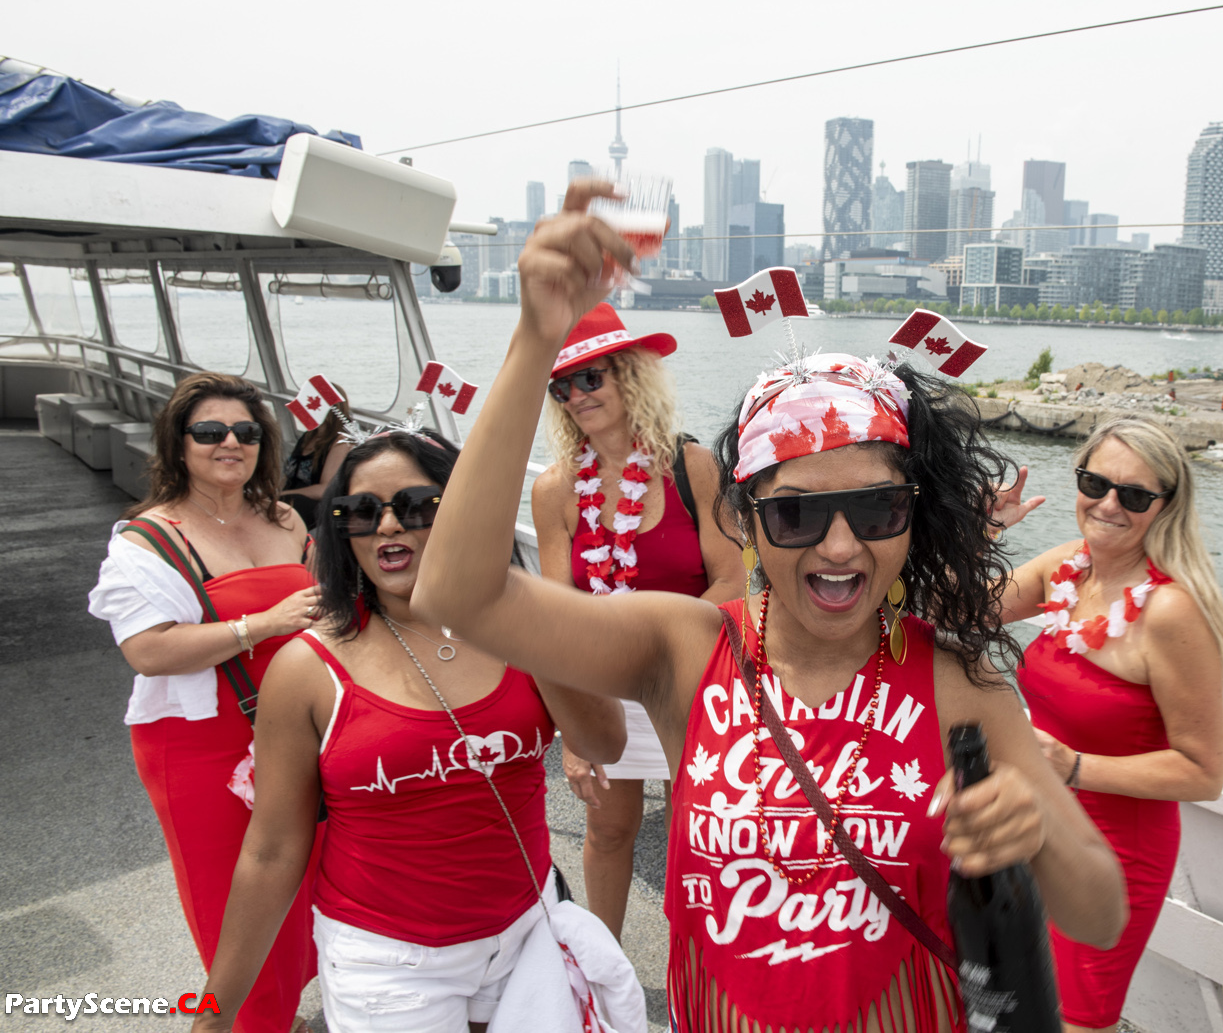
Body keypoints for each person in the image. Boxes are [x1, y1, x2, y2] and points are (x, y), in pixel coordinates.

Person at [413, 180, 1128, 1032]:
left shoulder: (958, 686)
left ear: (914, 518)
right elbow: (458, 592)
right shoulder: (685, 650)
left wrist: (1036, 833)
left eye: (876, 509)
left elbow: (1100, 915)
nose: (839, 546)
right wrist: (536, 340)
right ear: (746, 522)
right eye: (796, 515)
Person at [190, 428, 631, 1033]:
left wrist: (524, 621)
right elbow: (271, 852)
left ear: (463, 512)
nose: (389, 525)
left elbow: (605, 744)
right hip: (389, 964)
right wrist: (214, 1015)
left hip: (527, 932)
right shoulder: (306, 670)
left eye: (417, 505)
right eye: (361, 511)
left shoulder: (523, 627)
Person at [87, 371, 322, 1033]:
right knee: (232, 899)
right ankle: (250, 1021)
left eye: (246, 431)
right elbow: (149, 649)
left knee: (306, 879)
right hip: (199, 744)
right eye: (210, 431)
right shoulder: (149, 539)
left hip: (295, 732)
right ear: (178, 443)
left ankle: (288, 1008)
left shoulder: (284, 518)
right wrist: (263, 625)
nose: (230, 443)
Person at [999, 416, 1223, 1033]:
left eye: (1133, 495)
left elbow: (1205, 772)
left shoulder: (1171, 611)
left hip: (1115, 849)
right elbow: (960, 606)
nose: (1108, 505)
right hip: (1036, 826)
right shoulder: (1068, 568)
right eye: (1095, 483)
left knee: (1076, 1018)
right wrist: (983, 528)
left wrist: (1073, 766)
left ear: (1166, 505)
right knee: (1018, 1001)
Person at [529, 302, 744, 940]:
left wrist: (655, 639)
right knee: (608, 829)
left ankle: (698, 964)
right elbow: (554, 617)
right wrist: (573, 730)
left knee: (699, 831)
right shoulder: (555, 489)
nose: (576, 396)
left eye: (590, 378)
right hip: (603, 684)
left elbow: (733, 580)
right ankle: (605, 968)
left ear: (631, 375)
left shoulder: (694, 467)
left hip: (690, 678)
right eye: (561, 387)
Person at [281, 382, 353, 528]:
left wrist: (285, 494)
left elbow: (325, 489)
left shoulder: (341, 442)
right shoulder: (308, 436)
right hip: (289, 498)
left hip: (312, 507)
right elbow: (288, 475)